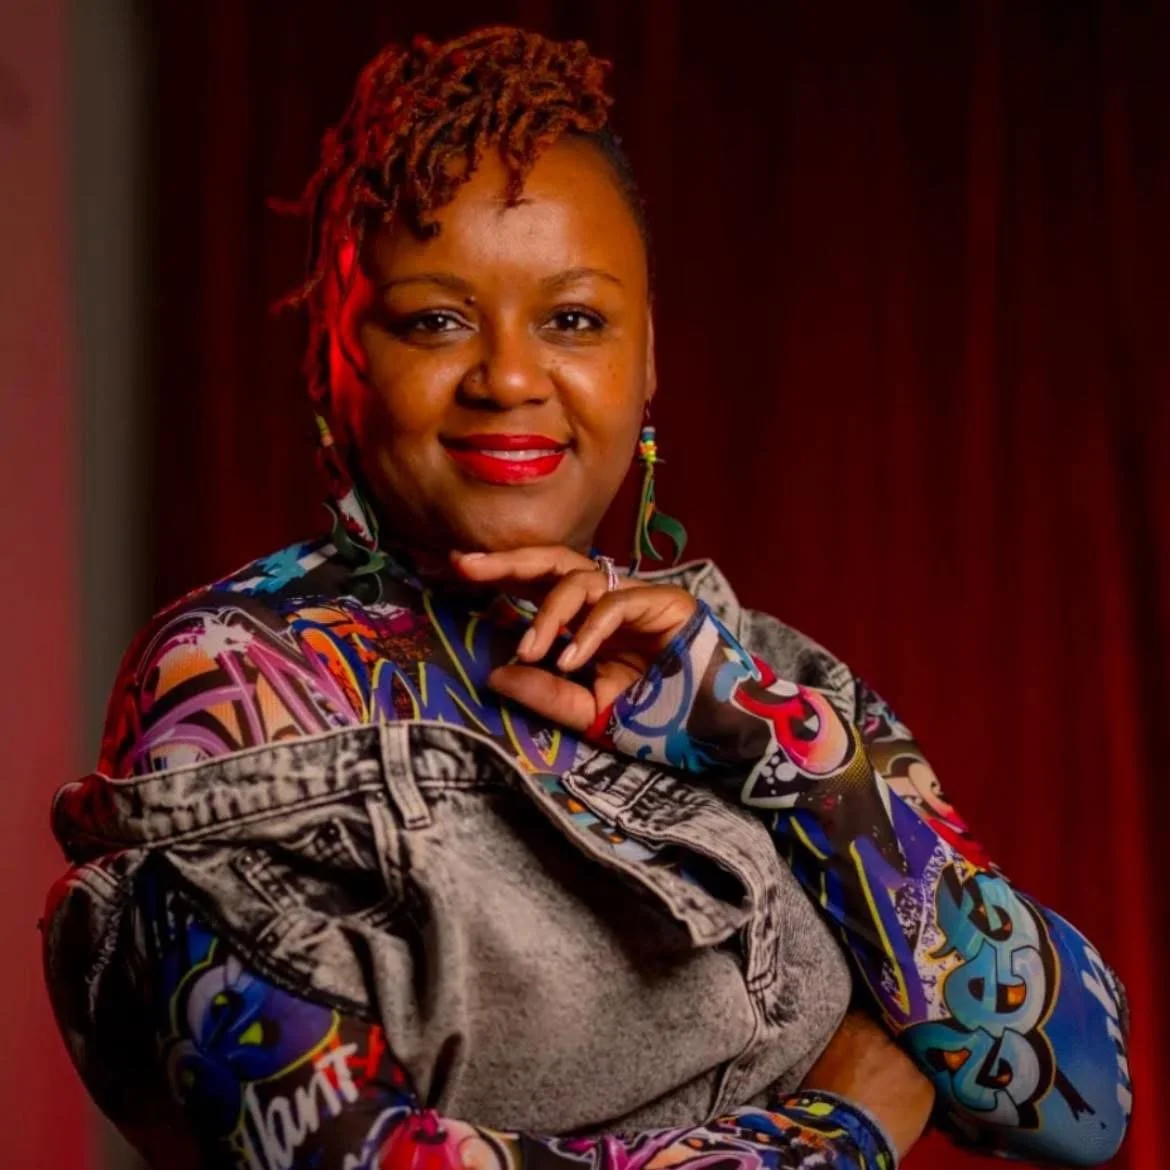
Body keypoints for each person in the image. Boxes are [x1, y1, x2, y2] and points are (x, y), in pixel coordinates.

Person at [43, 26, 1131, 1170]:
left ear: (645, 358)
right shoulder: (242, 680)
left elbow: (1079, 1102)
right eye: (435, 319)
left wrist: (768, 742)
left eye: (572, 320)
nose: (510, 379)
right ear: (332, 359)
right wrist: (839, 1131)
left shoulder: (761, 674)